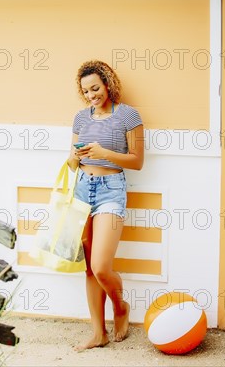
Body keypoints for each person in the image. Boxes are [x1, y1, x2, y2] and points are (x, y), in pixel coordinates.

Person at [67, 60, 144, 351]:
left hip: (112, 189)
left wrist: (104, 153)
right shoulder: (80, 118)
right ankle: (99, 333)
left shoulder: (128, 115)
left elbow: (137, 161)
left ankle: (120, 306)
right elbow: (72, 161)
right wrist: (76, 157)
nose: (91, 95)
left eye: (95, 88)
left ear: (108, 83)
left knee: (101, 266)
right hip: (83, 189)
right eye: (86, 91)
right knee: (89, 268)